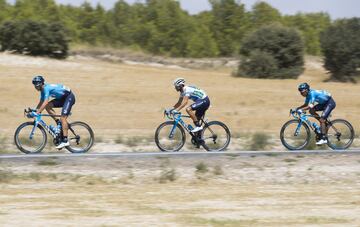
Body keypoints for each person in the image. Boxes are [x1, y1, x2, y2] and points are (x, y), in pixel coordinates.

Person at [32, 75, 76, 149]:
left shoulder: (46, 89)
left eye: (37, 85)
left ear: (41, 84)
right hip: (62, 98)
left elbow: (45, 102)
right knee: (48, 106)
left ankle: (65, 141)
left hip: (69, 97)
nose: (36, 87)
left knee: (63, 118)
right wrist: (35, 110)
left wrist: (38, 112)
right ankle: (58, 122)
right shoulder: (42, 90)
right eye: (35, 85)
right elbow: (42, 102)